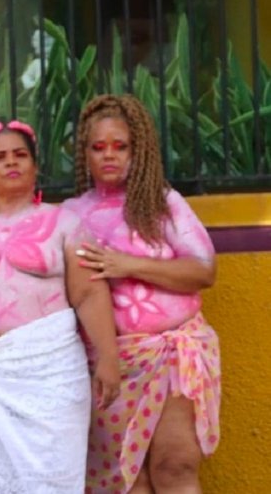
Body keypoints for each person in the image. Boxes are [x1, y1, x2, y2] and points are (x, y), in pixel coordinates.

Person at [0, 120, 121, 493]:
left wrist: (108, 356)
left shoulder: (64, 222)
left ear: (35, 164)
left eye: (20, 155)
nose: (11, 163)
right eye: (0, 157)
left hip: (51, 374)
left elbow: (89, 294)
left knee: (52, 478)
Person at [63, 94, 220, 494]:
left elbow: (204, 270)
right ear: (84, 153)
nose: (109, 156)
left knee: (175, 464)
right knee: (127, 482)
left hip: (171, 355)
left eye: (121, 146)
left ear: (139, 149)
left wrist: (126, 264)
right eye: (98, 148)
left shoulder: (162, 204)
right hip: (109, 362)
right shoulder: (70, 214)